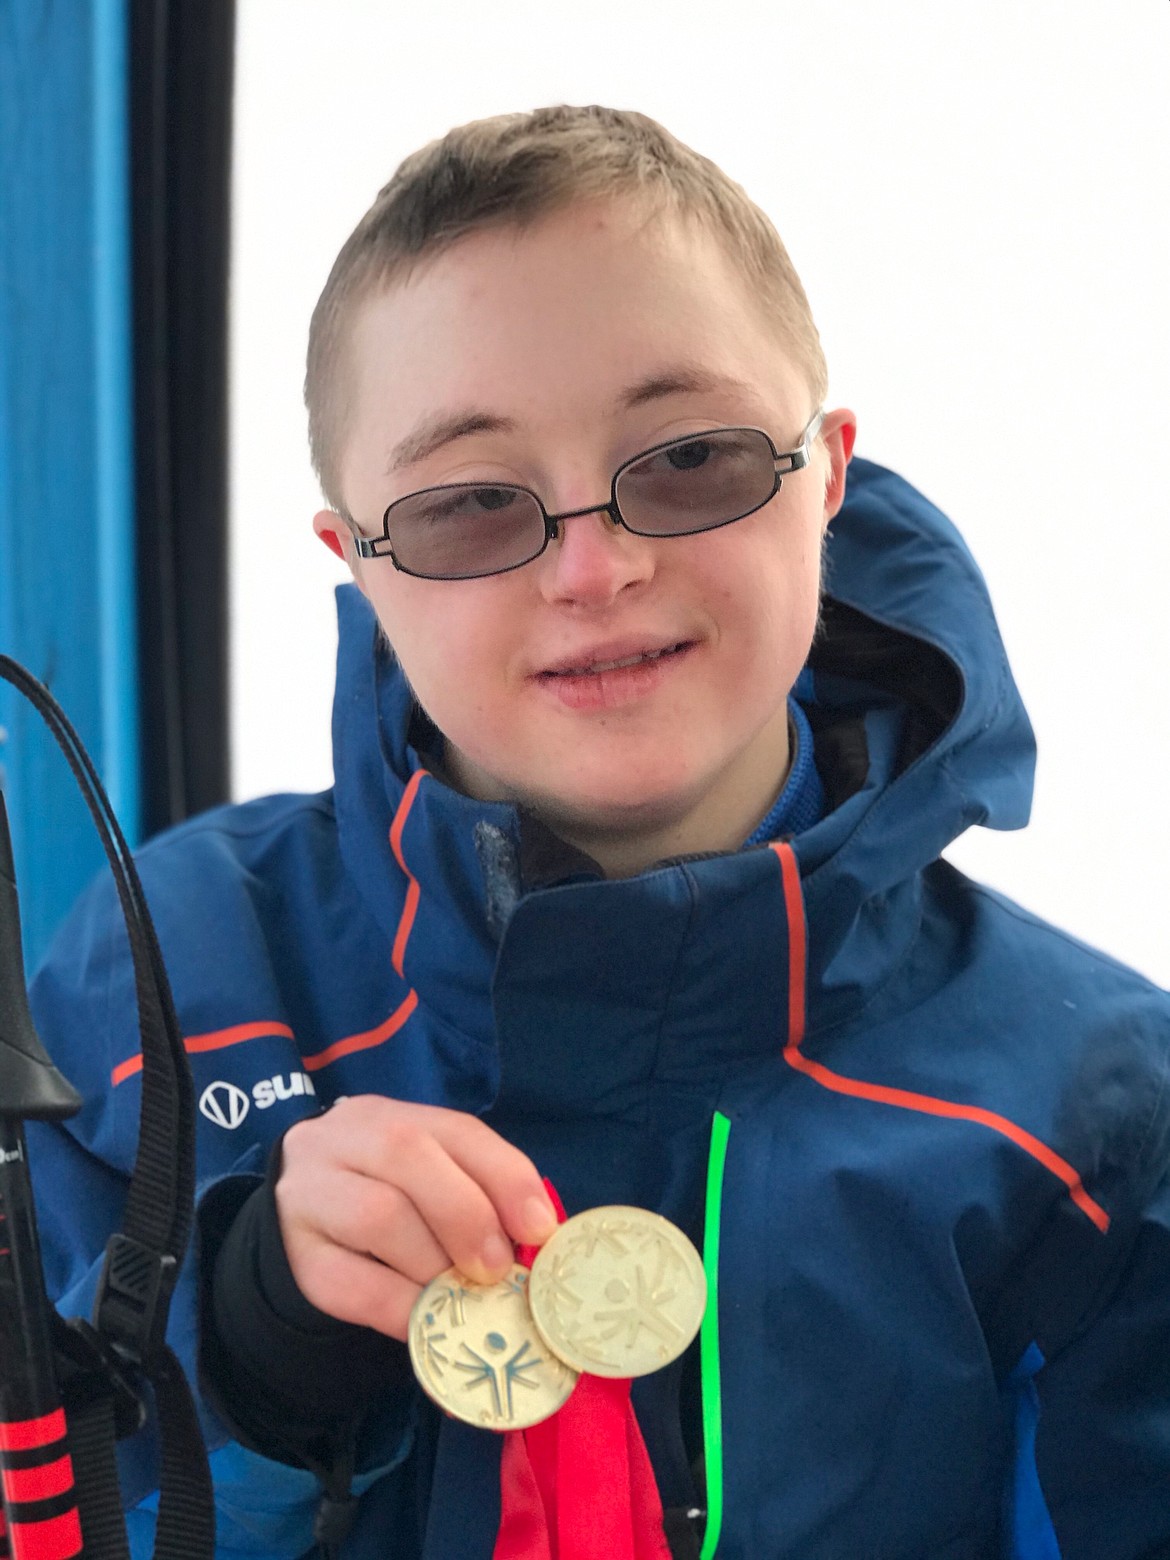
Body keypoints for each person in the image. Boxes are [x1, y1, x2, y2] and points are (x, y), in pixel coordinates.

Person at [25, 104, 1170, 1560]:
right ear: (355, 564)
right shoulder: (164, 984)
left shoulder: (1092, 1106)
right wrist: (246, 1344)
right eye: (468, 505)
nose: (595, 565)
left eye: (689, 459)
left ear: (824, 475)